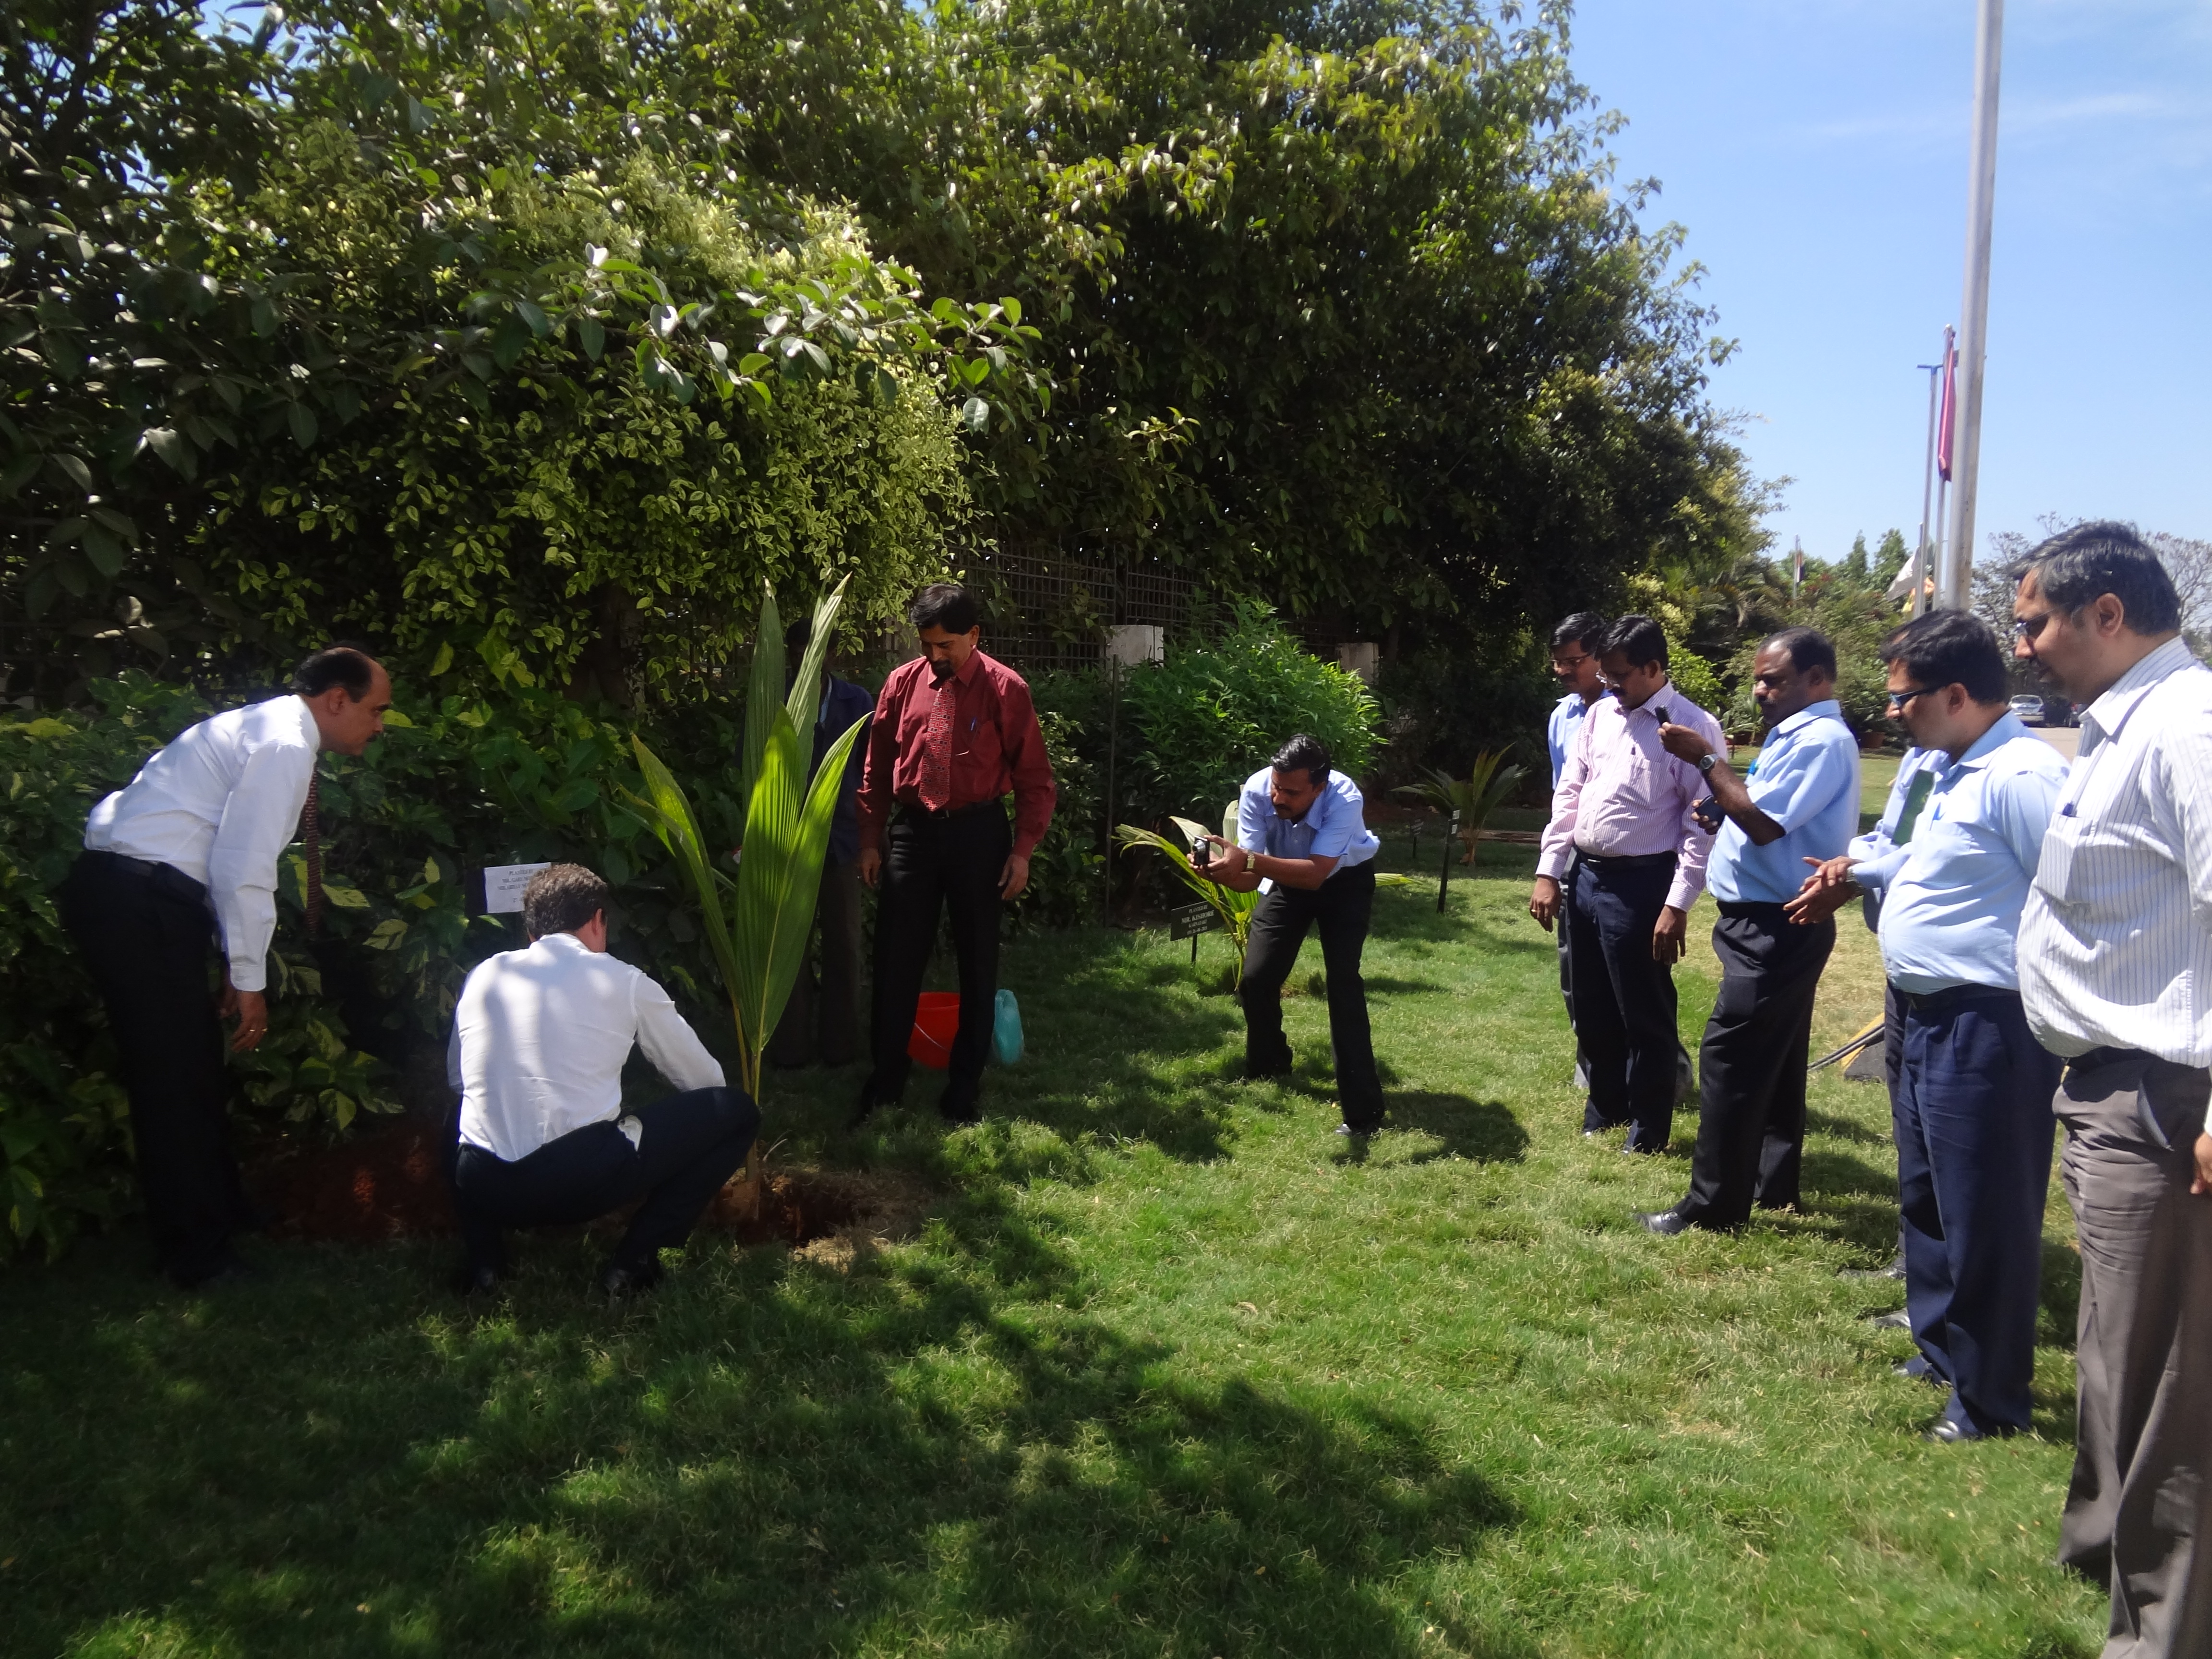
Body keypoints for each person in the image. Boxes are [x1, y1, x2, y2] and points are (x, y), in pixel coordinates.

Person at [1786, 611, 2067, 1442]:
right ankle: (1941, 1346)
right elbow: (1925, 859)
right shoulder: (1948, 768)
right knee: (1927, 1191)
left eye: (1903, 698)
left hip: (1989, 1018)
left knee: (1985, 1209)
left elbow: (2070, 896)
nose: (1891, 713)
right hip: (1918, 1007)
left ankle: (1989, 1399)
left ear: (1955, 694)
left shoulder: (2022, 776)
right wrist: (1863, 868)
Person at [2007, 523, 2212, 1654]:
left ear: (2107, 615)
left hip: (2170, 1100)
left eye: (2033, 622)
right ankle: (2101, 1547)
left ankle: (2162, 1630)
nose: (2022, 645)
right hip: (2111, 1091)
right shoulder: (2119, 726)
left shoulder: (2188, 724)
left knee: (2172, 1382)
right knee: (2114, 1351)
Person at [61, 645, 392, 1287]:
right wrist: (248, 980)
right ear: (336, 700)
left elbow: (214, 857)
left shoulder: (270, 728)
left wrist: (226, 957)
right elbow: (242, 869)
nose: (380, 726)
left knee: (191, 1068)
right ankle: (197, 1255)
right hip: (138, 902)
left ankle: (222, 1211)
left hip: (142, 897)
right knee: (173, 1081)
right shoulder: (284, 745)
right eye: (376, 710)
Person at [446, 864, 760, 1298]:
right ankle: (635, 1262)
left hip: (484, 1183)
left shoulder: (484, 975)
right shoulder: (625, 981)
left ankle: (485, 1266)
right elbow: (706, 1084)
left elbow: (459, 1080)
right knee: (737, 1112)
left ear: (532, 931)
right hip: (577, 1185)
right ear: (597, 920)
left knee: (459, 1117)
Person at [1641, 626, 1859, 1233]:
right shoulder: (1794, 735)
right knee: (1777, 1060)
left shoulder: (1820, 740)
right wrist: (1722, 802)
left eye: (1774, 681)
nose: (1760, 691)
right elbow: (1756, 806)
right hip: (1768, 920)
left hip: (1776, 924)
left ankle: (1712, 1208)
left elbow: (1764, 824)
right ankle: (1772, 1184)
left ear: (1817, 679)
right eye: (1758, 680)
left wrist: (1706, 760)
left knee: (1731, 1058)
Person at [854, 583, 1056, 1125]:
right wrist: (871, 838)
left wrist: (1023, 851)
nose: (934, 655)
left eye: (945, 645)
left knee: (978, 960)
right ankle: (885, 1085)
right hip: (913, 835)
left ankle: (964, 1089)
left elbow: (1035, 778)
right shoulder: (901, 683)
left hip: (978, 835)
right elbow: (876, 766)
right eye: (927, 645)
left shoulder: (1006, 689)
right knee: (895, 961)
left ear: (974, 635)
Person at [1530, 615, 1724, 1153]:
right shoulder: (1599, 716)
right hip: (1586, 877)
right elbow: (1570, 794)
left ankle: (1648, 1129)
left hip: (1642, 885)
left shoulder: (1694, 728)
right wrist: (1550, 871)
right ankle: (1606, 1108)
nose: (1609, 684)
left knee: (1644, 1012)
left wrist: (1676, 905)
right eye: (1606, 674)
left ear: (1654, 667)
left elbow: (1700, 827)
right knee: (1592, 1005)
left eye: (1618, 675)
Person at [1198, 733, 1386, 1136]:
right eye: (1277, 787)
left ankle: (1363, 1113)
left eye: (1292, 793)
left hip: (1344, 884)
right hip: (1285, 880)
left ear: (1319, 788)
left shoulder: (1344, 798)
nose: (1279, 798)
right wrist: (1221, 870)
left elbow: (1316, 873)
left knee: (1343, 984)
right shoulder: (1257, 789)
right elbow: (1250, 879)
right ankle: (1269, 1065)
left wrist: (1248, 860)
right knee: (1256, 978)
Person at [766, 624, 875, 1070]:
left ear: (833, 655)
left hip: (841, 841)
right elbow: (751, 766)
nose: (807, 659)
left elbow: (872, 773)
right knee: (787, 948)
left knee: (844, 944)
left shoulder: (858, 702)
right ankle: (789, 1048)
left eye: (818, 651)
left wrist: (870, 837)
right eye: (799, 650)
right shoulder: (771, 702)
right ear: (790, 653)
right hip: (785, 841)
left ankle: (840, 1046)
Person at [1547, 611, 1609, 1096]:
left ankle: (1659, 1063)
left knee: (1628, 970)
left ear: (1601, 656)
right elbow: (1562, 794)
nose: (1564, 671)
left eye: (1574, 661)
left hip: (1625, 857)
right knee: (1576, 967)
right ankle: (1592, 1060)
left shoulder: (1628, 709)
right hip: (1572, 855)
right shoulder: (1562, 716)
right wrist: (1550, 868)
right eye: (1558, 662)